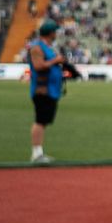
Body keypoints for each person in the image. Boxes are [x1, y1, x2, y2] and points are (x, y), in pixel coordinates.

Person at [25, 17, 69, 165]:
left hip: (50, 90)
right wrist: (55, 61)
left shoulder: (47, 47)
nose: (56, 34)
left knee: (43, 121)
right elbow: (38, 66)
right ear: (50, 33)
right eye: (55, 31)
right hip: (42, 90)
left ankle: (39, 152)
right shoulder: (37, 47)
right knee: (40, 120)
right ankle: (36, 154)